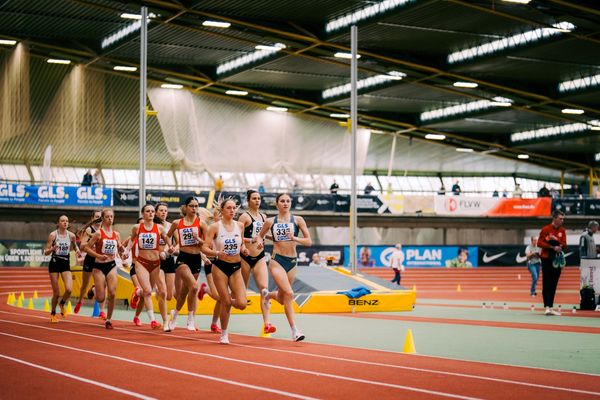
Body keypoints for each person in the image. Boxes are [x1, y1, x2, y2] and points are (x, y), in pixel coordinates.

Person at [258, 193, 311, 342]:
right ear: (277, 204)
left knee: (282, 298)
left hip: (292, 262)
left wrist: (295, 238)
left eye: (288, 201)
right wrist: (260, 241)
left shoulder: (298, 220)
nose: (285, 203)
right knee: (289, 293)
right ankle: (295, 330)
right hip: (277, 261)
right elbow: (259, 236)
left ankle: (267, 295)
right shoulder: (270, 221)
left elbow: (308, 241)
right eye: (282, 201)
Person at [201, 198, 248, 344]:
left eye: (234, 208)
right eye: (229, 208)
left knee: (241, 304)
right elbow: (204, 247)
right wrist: (216, 253)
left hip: (236, 268)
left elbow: (242, 243)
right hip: (220, 267)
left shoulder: (240, 226)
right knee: (226, 301)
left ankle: (226, 303)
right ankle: (224, 334)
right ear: (222, 210)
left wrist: (244, 249)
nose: (232, 210)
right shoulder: (214, 227)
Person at [126, 204, 171, 331]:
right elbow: (131, 240)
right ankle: (153, 320)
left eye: (152, 211)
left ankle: (137, 292)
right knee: (147, 291)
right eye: (148, 211)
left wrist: (166, 251)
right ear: (143, 214)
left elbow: (168, 242)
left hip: (156, 263)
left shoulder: (160, 228)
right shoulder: (137, 227)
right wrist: (126, 251)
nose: (151, 213)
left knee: (149, 290)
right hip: (141, 262)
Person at [238, 190, 275, 335]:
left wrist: (266, 240)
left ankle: (267, 323)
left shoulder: (263, 217)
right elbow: (237, 236)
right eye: (254, 198)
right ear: (248, 201)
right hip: (245, 257)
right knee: (240, 295)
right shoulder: (244, 217)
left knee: (264, 290)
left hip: (259, 257)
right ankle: (219, 319)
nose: (257, 201)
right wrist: (250, 241)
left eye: (259, 198)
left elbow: (263, 236)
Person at [166, 196, 206, 332]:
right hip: (183, 258)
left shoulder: (201, 224)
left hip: (196, 258)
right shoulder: (177, 223)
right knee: (194, 288)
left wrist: (198, 239)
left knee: (184, 292)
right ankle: (190, 319)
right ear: (186, 207)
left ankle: (175, 315)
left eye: (196, 206)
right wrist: (170, 246)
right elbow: (167, 235)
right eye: (191, 206)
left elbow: (206, 244)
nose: (194, 209)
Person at [83, 209, 125, 329]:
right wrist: (99, 256)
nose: (110, 219)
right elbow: (86, 248)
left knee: (112, 293)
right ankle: (94, 290)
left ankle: (109, 319)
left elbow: (120, 249)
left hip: (111, 265)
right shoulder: (98, 234)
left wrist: (123, 253)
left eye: (111, 217)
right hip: (98, 266)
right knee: (100, 298)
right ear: (102, 218)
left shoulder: (116, 234)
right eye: (107, 217)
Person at [44, 215, 81, 323]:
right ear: (58, 223)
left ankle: (62, 303)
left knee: (69, 289)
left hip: (65, 262)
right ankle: (53, 313)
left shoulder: (71, 235)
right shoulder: (53, 235)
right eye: (62, 221)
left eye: (67, 221)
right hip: (55, 262)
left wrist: (78, 251)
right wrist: (52, 249)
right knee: (56, 293)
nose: (65, 222)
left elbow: (74, 245)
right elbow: (45, 252)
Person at [74, 210, 106, 317]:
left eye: (100, 216)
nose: (98, 218)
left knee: (102, 285)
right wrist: (90, 243)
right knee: (84, 284)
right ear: (92, 218)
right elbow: (82, 246)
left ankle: (101, 311)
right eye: (96, 216)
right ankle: (80, 300)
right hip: (90, 259)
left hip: (100, 260)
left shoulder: (105, 229)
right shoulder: (89, 230)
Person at [537, 210, 567, 316]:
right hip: (546, 259)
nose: (562, 220)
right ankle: (547, 307)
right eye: (560, 218)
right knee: (547, 283)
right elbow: (539, 243)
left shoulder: (562, 230)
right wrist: (552, 247)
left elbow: (564, 243)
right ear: (554, 218)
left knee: (554, 283)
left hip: (557, 260)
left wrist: (560, 246)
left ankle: (551, 306)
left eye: (563, 219)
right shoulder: (546, 229)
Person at [156, 203, 176, 303]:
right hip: (157, 260)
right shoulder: (153, 226)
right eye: (161, 210)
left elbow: (177, 242)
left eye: (165, 210)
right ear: (156, 212)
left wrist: (173, 249)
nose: (163, 212)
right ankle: (161, 317)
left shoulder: (171, 226)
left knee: (169, 295)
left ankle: (157, 292)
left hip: (169, 259)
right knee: (162, 291)